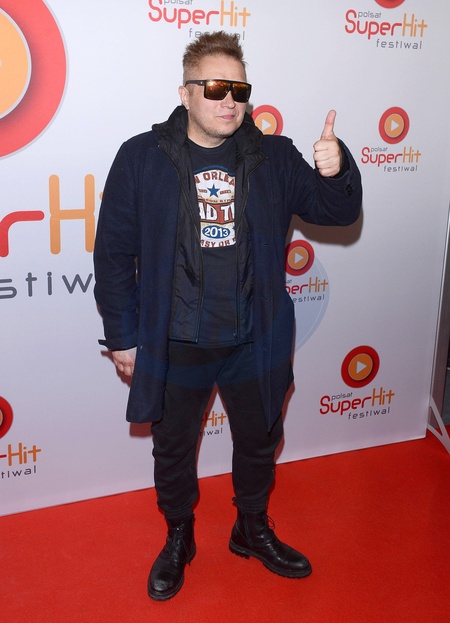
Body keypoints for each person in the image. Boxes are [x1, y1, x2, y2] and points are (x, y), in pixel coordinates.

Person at [93, 31, 362, 601]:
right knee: (172, 448)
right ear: (186, 93)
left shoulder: (274, 156)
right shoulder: (141, 157)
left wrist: (336, 170)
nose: (229, 100)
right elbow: (113, 253)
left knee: (260, 439)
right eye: (215, 87)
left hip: (255, 337)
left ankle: (252, 528)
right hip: (175, 340)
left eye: (239, 89)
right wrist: (122, 335)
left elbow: (337, 212)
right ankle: (179, 536)